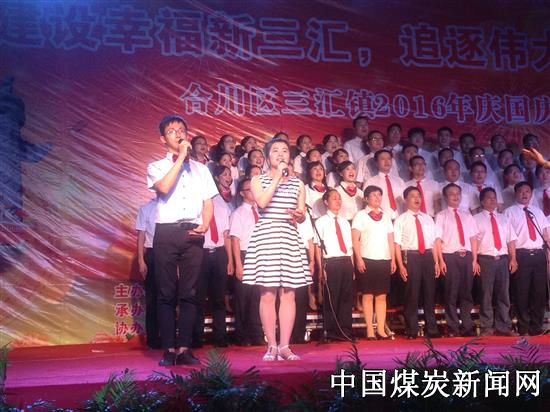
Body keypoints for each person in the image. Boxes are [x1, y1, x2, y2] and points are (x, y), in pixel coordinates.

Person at [147, 114, 218, 366]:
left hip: (193, 232)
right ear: (163, 139)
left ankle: (185, 348)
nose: (178, 134)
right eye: (172, 131)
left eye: (181, 130)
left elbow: (208, 201)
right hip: (166, 231)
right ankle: (168, 348)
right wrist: (179, 159)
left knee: (190, 293)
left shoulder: (201, 169)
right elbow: (164, 188)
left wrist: (205, 225)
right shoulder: (156, 166)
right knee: (166, 293)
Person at [242, 138, 312, 361]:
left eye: (285, 151)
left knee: (289, 293)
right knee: (268, 292)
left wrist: (300, 216)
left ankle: (285, 346)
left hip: (289, 235)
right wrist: (277, 178)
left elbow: (301, 214)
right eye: (275, 150)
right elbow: (262, 202)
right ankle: (271, 345)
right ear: (267, 156)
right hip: (267, 235)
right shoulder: (257, 180)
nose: (281, 154)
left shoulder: (298, 184)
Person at [193, 165, 234, 348]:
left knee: (219, 298)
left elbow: (226, 234)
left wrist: (230, 260)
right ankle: (196, 337)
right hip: (200, 253)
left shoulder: (221, 203)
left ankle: (220, 337)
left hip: (219, 253)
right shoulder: (195, 203)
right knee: (199, 298)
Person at [394, 186, 440, 339]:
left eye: (418, 195)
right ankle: (412, 329)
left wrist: (436, 262)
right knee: (412, 294)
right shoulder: (401, 220)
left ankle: (432, 329)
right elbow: (397, 244)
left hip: (428, 256)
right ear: (406, 200)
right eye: (413, 196)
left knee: (430, 293)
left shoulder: (428, 219)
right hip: (411, 256)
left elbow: (434, 242)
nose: (417, 198)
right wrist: (401, 265)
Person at [504, 181, 549, 336]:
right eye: (521, 191)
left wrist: (548, 256)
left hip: (539, 255)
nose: (524, 194)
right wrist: (513, 258)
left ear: (531, 194)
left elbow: (545, 235)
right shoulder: (509, 212)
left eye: (527, 191)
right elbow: (510, 238)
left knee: (539, 292)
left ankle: (536, 326)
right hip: (521, 255)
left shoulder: (537, 211)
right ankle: (523, 327)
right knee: (522, 292)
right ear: (516, 193)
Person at [435, 183, 479, 337]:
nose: (455, 196)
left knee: (467, 293)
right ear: (445, 197)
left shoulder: (467, 215)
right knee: (451, 293)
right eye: (451, 194)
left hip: (467, 257)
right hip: (450, 256)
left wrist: (474, 260)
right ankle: (453, 327)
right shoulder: (441, 216)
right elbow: (437, 240)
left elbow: (473, 239)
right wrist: (441, 261)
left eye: (457, 194)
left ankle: (467, 326)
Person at [352, 185, 396, 340]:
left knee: (382, 296)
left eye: (379, 195)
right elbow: (355, 240)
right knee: (368, 295)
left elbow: (390, 239)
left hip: (384, 259)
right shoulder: (360, 216)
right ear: (366, 198)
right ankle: (370, 330)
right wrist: (359, 259)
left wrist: (392, 259)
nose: (377, 198)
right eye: (373, 195)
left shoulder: (386, 217)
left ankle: (381, 329)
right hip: (367, 259)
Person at [474, 188, 518, 337]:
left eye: (494, 197)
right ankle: (486, 327)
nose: (492, 200)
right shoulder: (476, 219)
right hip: (485, 259)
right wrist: (475, 261)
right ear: (482, 201)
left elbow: (511, 240)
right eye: (488, 198)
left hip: (503, 259)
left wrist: (513, 258)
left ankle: (504, 326)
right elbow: (473, 242)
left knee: (503, 294)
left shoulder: (504, 218)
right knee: (486, 294)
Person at [315, 189, 354, 341]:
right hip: (331, 263)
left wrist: (352, 266)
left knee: (346, 298)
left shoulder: (345, 222)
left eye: (339, 198)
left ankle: (345, 332)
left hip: (346, 261)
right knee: (332, 298)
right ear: (326, 202)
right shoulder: (321, 222)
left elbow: (349, 246)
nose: (338, 201)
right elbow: (318, 248)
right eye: (334, 198)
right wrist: (321, 269)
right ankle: (330, 332)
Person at [230, 178, 264, 346]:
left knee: (258, 296)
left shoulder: (262, 212)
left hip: (261, 255)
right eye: (250, 189)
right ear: (242, 193)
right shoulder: (238, 213)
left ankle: (257, 334)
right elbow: (235, 240)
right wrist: (238, 264)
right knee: (243, 297)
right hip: (245, 255)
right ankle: (242, 336)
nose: (254, 192)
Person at [136, 197, 160, 349]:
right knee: (152, 298)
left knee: (169, 297)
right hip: (151, 254)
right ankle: (153, 338)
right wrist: (141, 260)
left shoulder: (173, 207)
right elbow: (141, 236)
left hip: (170, 254)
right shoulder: (146, 208)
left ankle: (169, 337)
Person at [364, 149, 405, 219]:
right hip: (381, 219)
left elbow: (406, 200)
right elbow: (367, 203)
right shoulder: (370, 182)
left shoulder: (399, 181)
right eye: (383, 159)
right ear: (376, 163)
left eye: (389, 159)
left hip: (401, 218)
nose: (386, 161)